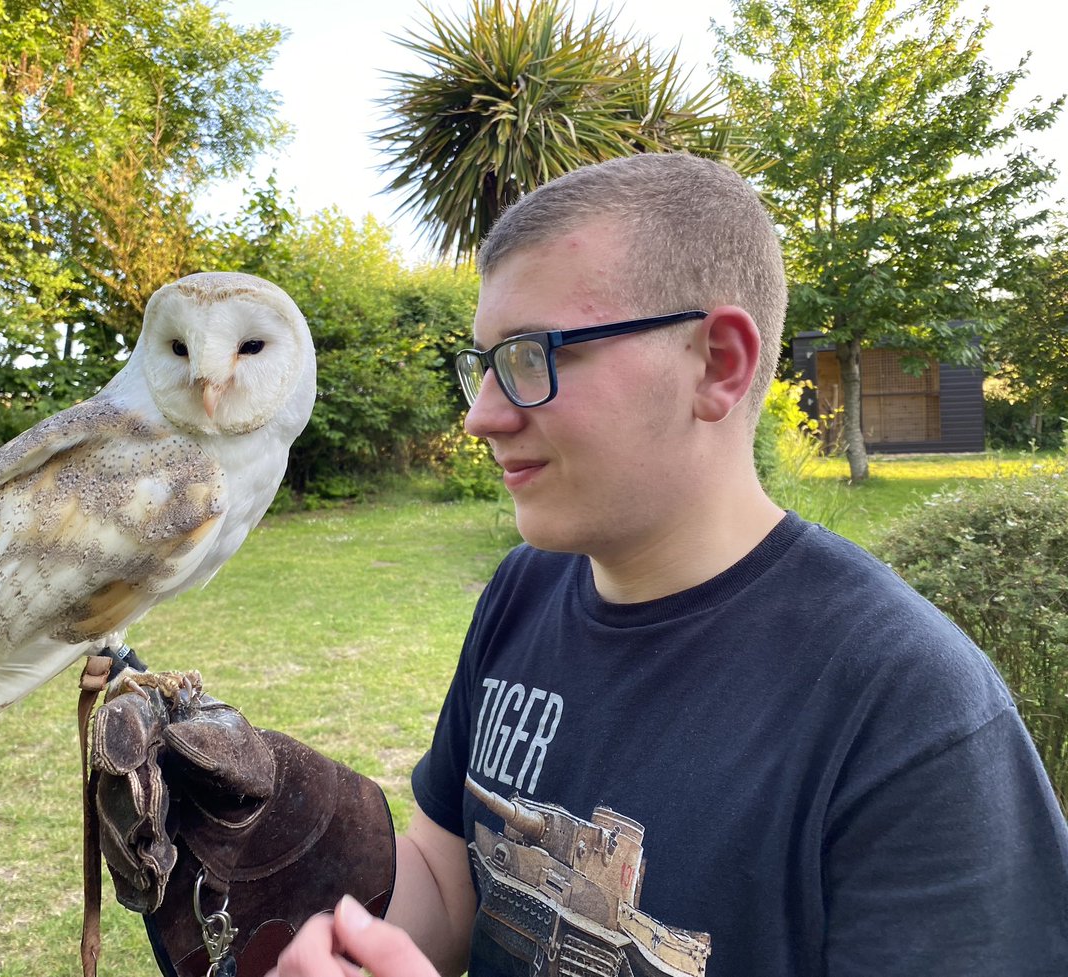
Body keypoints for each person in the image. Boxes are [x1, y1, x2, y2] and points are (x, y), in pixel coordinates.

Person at [276, 150, 1068, 977]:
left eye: (531, 356)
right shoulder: (522, 593)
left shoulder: (911, 711)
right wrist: (327, 919)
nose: (481, 417)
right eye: (483, 365)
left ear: (718, 364)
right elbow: (451, 881)